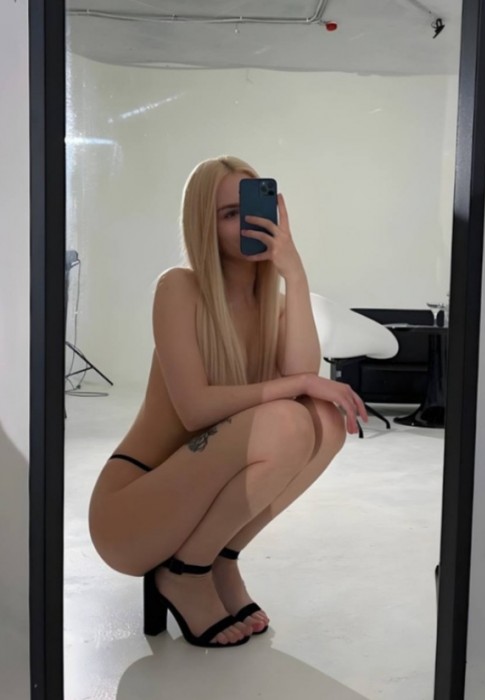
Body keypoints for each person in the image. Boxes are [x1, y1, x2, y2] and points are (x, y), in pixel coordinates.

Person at [88, 155, 368, 649]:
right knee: (289, 419)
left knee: (322, 420)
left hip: (192, 501)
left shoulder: (273, 307)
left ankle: (216, 559)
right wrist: (300, 385)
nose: (246, 223)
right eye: (229, 214)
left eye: (253, 209)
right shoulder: (179, 288)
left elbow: (303, 378)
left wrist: (295, 274)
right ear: (204, 224)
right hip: (131, 510)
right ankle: (184, 573)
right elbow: (195, 410)